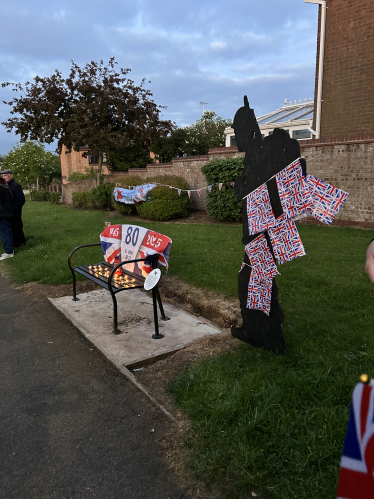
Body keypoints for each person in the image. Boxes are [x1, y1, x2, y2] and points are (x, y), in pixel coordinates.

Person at [1, 169, 26, 246]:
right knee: (10, 228)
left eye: (5, 175)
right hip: (7, 212)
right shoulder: (4, 186)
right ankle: (14, 242)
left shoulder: (16, 186)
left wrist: (14, 208)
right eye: (2, 176)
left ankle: (21, 242)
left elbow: (21, 200)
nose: (4, 177)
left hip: (15, 212)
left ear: (10, 175)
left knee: (17, 227)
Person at [0, 176, 14, 260]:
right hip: (6, 212)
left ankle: (9, 252)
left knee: (4, 233)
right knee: (8, 231)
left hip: (1, 214)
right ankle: (10, 250)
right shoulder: (4, 186)